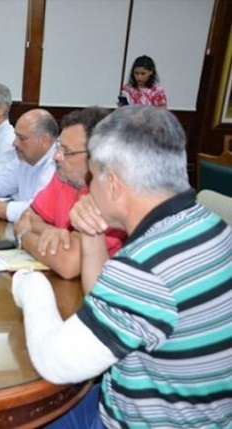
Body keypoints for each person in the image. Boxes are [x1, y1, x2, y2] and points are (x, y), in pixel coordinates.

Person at [12, 106, 232, 428]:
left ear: (113, 184)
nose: (89, 186)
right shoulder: (210, 225)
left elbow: (55, 363)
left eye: (94, 176)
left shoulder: (145, 265)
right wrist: (91, 232)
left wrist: (30, 284)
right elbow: (104, 298)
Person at [13, 107, 127, 281]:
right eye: (59, 148)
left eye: (67, 151)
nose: (56, 157)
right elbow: (27, 216)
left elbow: (68, 264)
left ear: (98, 157)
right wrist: (53, 231)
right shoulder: (65, 178)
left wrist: (24, 236)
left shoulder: (111, 195)